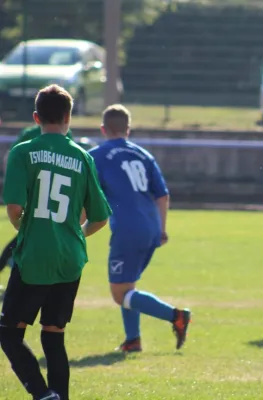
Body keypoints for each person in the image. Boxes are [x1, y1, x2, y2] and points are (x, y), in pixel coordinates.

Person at [0, 84, 112, 400]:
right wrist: (74, 234)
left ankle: (41, 394)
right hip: (69, 258)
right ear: (69, 117)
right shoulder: (82, 157)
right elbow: (101, 217)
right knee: (54, 336)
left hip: (35, 255)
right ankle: (58, 396)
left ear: (36, 117)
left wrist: (28, 231)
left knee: (9, 334)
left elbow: (14, 209)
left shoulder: (22, 152)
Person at [89, 104, 191, 353]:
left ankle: (176, 316)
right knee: (128, 285)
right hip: (151, 227)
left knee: (119, 293)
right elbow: (163, 195)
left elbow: (88, 195)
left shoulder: (96, 155)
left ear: (103, 129)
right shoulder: (144, 155)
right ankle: (132, 339)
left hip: (127, 229)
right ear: (128, 129)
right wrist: (162, 229)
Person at [0, 127, 94, 283]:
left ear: (37, 116)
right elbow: (97, 216)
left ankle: (10, 266)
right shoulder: (71, 143)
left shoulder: (29, 138)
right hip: (55, 207)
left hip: (42, 198)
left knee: (23, 240)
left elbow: (11, 159)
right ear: (66, 118)